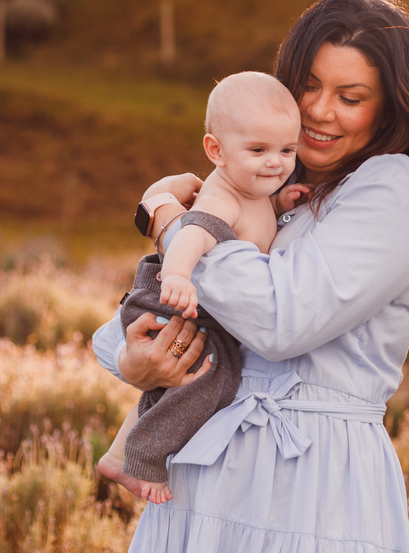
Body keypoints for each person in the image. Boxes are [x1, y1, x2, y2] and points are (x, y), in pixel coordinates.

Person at [91, 0, 409, 552]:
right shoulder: (273, 186)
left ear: (389, 105)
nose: (318, 109)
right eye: (309, 85)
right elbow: (162, 313)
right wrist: (133, 361)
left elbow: (281, 319)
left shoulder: (397, 187)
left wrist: (168, 219)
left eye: (350, 96)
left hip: (311, 480)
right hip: (206, 472)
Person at [98, 71, 307, 505]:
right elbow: (191, 234)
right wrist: (176, 275)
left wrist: (280, 202)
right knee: (213, 377)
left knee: (183, 378)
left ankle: (120, 453)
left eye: (287, 150)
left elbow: (255, 217)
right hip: (170, 298)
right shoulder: (222, 198)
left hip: (190, 305)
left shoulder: (249, 189)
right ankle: (145, 456)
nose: (276, 163)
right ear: (216, 151)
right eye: (259, 150)